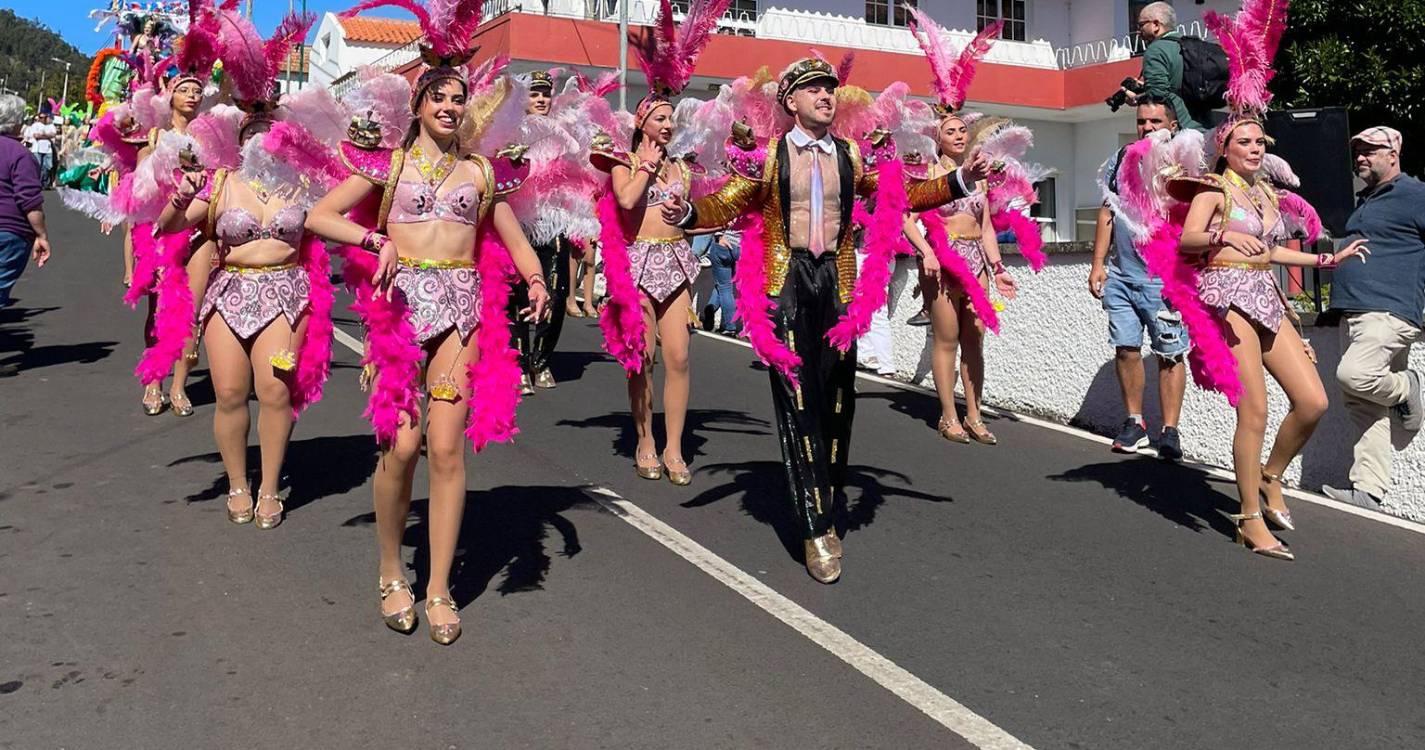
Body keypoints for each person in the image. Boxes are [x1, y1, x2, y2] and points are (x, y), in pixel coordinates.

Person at [664, 55, 989, 583]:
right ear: (790, 102)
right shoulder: (768, 156)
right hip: (786, 282)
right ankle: (815, 527)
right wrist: (689, 215)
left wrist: (959, 179)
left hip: (836, 285)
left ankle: (828, 496)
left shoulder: (852, 156)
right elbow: (729, 201)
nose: (825, 95)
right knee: (798, 404)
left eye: (830, 88)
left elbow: (901, 195)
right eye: (813, 88)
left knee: (838, 402)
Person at [305, 0, 549, 645]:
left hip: (462, 313)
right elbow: (320, 217)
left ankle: (438, 585)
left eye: (457, 97)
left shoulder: (480, 172)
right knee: (404, 447)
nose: (448, 105)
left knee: (446, 449)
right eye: (437, 96)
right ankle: (391, 569)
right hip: (401, 311)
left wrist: (537, 280)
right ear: (417, 106)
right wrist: (373, 242)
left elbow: (511, 235)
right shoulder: (387, 166)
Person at [1152, 0, 1368, 560]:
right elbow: (1187, 242)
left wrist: (1327, 261)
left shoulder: (1268, 194)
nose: (1256, 149)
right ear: (1224, 149)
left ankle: (1272, 475)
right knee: (1255, 410)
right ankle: (1249, 517)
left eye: (1259, 143)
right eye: (1245, 142)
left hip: (1267, 297)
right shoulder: (1212, 190)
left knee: (1313, 402)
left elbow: (1272, 252)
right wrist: (1223, 239)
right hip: (1227, 301)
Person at [157, 9, 329, 531]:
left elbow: (345, 216)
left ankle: (271, 485)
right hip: (229, 292)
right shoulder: (220, 179)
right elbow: (168, 228)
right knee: (231, 394)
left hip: (287, 294)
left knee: (274, 392)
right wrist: (180, 194)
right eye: (251, 126)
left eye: (269, 125)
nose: (261, 133)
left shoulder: (305, 186)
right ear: (239, 133)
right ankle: (237, 482)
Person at [591, 0, 731, 487]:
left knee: (679, 356)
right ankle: (644, 438)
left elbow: (695, 221)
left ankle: (673, 446)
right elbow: (627, 201)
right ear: (642, 124)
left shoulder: (684, 168)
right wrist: (645, 165)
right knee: (641, 357)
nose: (669, 124)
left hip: (676, 261)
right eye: (660, 118)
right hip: (636, 264)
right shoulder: (624, 162)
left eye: (673, 118)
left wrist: (691, 219)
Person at [901, 10, 1044, 447]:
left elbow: (983, 225)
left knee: (975, 340)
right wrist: (925, 251)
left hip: (975, 261)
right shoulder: (927, 173)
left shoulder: (979, 176)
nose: (960, 135)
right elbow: (907, 218)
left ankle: (976, 414)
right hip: (941, 263)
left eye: (963, 129)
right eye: (951, 131)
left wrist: (997, 265)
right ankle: (948, 415)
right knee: (945, 340)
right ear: (937, 137)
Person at [1321, 126, 1425, 509]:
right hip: (1356, 311)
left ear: (1393, 154)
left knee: (1354, 375)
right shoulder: (1367, 199)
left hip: (1389, 311)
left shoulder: (1415, 195)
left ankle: (1407, 386)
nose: (1361, 157)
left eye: (1369, 151)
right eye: (1358, 151)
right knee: (1362, 404)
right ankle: (1369, 490)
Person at [1090, 95, 1190, 459]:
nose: (1148, 128)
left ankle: (1170, 431)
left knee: (1170, 353)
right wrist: (1098, 264)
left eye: (1156, 122)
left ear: (1172, 126)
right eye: (1142, 121)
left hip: (1163, 280)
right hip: (1121, 275)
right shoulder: (1122, 158)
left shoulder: (1183, 162)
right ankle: (1135, 423)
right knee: (1126, 348)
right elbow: (1108, 213)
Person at [508, 70, 571, 394]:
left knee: (557, 295)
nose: (542, 99)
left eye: (545, 94)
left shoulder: (563, 134)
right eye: (534, 94)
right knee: (518, 294)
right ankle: (518, 364)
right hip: (519, 225)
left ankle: (541, 360)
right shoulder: (511, 134)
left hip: (554, 225)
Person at [1123, 1, 1211, 133]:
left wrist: (1136, 98)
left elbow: (1157, 95)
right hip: (1205, 127)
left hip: (1181, 131)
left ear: (1156, 25)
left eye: (1141, 25)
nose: (1138, 31)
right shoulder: (1193, 45)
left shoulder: (1156, 49)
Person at [0, 94, 51, 308]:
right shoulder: (20, 155)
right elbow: (29, 200)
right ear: (18, 123)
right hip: (9, 233)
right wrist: (41, 234)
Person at [23, 106, 58, 189]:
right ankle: (37, 183)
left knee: (47, 167)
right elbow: (36, 136)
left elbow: (53, 134)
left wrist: (44, 135)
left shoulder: (51, 126)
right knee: (38, 166)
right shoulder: (35, 125)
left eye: (43, 117)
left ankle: (45, 183)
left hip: (48, 150)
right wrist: (47, 136)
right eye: (40, 117)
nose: (41, 118)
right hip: (37, 149)